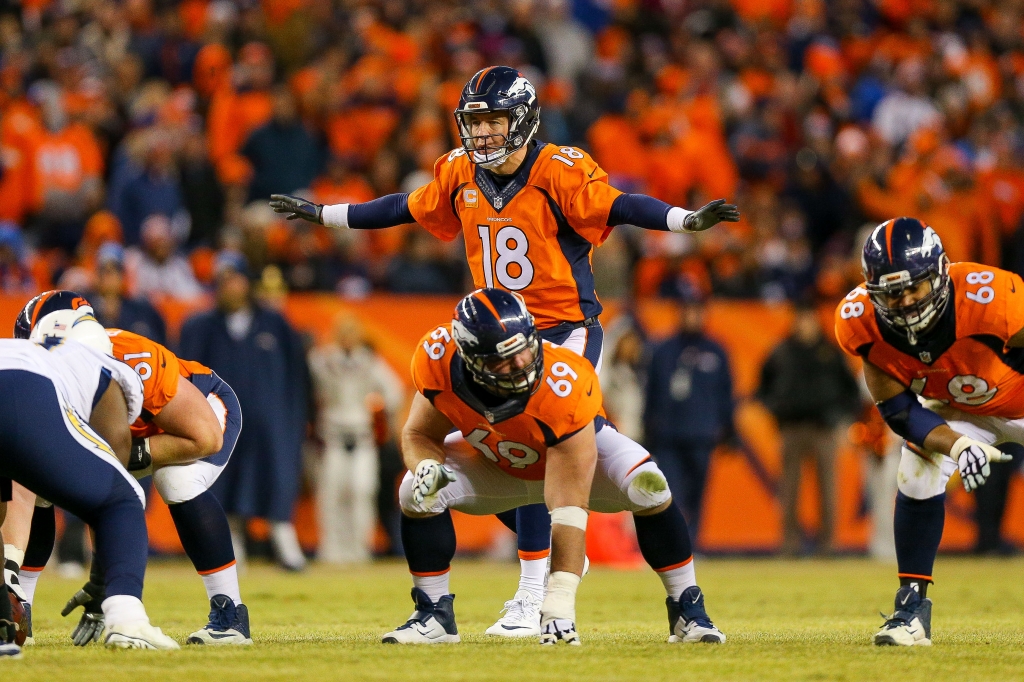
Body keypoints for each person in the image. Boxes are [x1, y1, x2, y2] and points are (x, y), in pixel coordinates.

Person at [270, 65, 740, 634]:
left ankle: (536, 588)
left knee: (542, 441)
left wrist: (682, 220)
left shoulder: (558, 169)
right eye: (476, 122)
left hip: (562, 329)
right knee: (514, 451)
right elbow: (402, 208)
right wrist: (325, 214)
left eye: (494, 120)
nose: (484, 133)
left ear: (524, 119)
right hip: (490, 334)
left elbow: (619, 205)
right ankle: (525, 574)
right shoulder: (458, 171)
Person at [381, 289, 724, 646]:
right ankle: (433, 614)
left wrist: (559, 604)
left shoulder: (563, 381)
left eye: (524, 349)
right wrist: (425, 466)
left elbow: (569, 507)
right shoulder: (439, 358)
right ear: (469, 358)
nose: (521, 365)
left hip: (571, 466)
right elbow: (419, 432)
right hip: (499, 461)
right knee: (413, 490)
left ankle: (688, 610)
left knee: (648, 484)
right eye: (503, 360)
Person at [9, 290, 250, 646]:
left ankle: (230, 613)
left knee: (176, 481)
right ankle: (18, 608)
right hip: (120, 439)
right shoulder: (41, 373)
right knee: (37, 478)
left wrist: (101, 580)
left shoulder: (134, 357)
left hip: (198, 416)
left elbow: (205, 437)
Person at [835, 217, 1022, 646]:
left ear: (939, 273)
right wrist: (957, 446)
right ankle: (912, 609)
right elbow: (900, 413)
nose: (904, 302)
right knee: (915, 464)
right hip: (961, 410)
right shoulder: (861, 321)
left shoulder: (992, 297)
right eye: (890, 293)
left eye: (913, 287)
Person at [0, 305, 178, 652]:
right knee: (124, 498)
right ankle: (127, 619)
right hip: (27, 391)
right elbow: (115, 459)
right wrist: (101, 579)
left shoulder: (17, 347)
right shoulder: (97, 363)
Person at [179, 252, 310, 571]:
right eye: (222, 281)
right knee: (224, 484)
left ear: (246, 282)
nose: (229, 287)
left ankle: (285, 544)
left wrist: (297, 420)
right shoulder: (201, 327)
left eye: (234, 279)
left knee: (276, 481)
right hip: (221, 423)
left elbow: (298, 377)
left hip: (271, 423)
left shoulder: (275, 323)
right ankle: (230, 551)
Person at [759, 298, 861, 556]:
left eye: (809, 319)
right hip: (792, 428)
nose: (805, 324)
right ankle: (789, 544)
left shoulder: (829, 351)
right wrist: (777, 411)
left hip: (823, 428)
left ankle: (827, 545)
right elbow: (762, 387)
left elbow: (851, 391)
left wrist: (840, 418)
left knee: (828, 489)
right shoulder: (781, 350)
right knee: (789, 490)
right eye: (801, 319)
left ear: (816, 321)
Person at [308, 313, 403, 564]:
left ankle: (359, 547)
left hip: (362, 436)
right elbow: (307, 383)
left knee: (362, 492)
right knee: (331, 495)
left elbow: (394, 391)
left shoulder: (369, 361)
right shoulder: (322, 360)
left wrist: (376, 409)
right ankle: (332, 548)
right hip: (332, 435)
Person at [644, 291, 735, 544]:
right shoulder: (663, 350)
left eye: (697, 310)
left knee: (697, 495)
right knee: (670, 494)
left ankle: (692, 544)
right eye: (687, 310)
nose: (692, 316)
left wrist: (729, 429)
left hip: (702, 435)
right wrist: (648, 428)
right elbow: (651, 391)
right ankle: (671, 545)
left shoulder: (716, 351)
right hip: (668, 435)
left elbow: (726, 393)